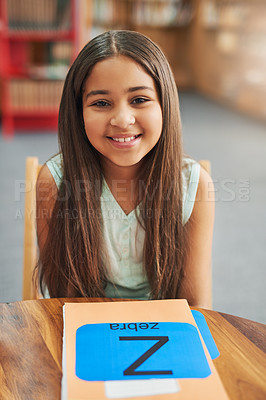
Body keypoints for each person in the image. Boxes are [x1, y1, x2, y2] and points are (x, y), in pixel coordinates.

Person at [36, 30, 214, 308]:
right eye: (101, 103)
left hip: (163, 329)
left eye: (139, 100)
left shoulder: (194, 185)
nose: (122, 119)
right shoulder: (55, 182)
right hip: (84, 326)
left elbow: (194, 304)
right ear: (78, 113)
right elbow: (62, 301)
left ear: (165, 105)